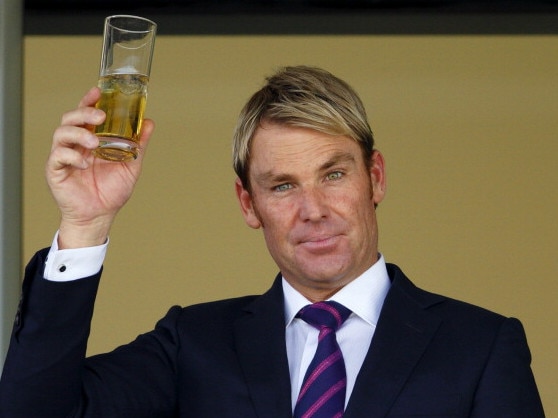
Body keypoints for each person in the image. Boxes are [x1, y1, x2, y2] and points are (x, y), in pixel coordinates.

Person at [0, 66, 544, 417]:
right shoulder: (193, 344)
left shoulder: (482, 347)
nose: (313, 210)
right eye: (283, 186)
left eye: (333, 175)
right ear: (248, 204)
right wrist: (85, 224)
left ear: (374, 178)